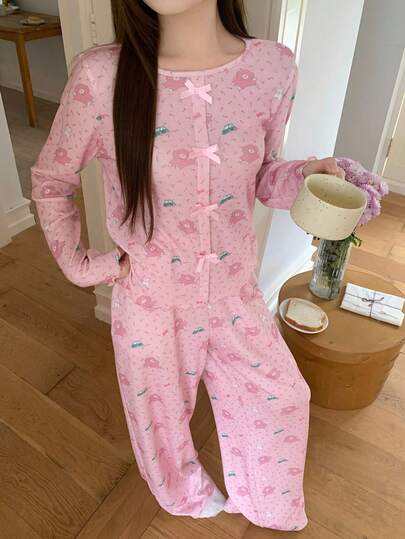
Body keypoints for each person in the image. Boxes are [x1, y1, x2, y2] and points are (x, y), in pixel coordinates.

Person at [30, 0, 345, 531]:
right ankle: (182, 492)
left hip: (235, 291)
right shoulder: (102, 76)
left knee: (283, 397)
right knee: (159, 418)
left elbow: (260, 176)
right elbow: (51, 181)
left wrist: (305, 176)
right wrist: (83, 266)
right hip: (151, 298)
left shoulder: (272, 67)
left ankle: (267, 502)